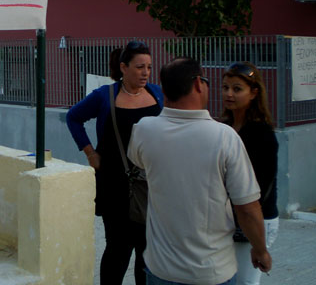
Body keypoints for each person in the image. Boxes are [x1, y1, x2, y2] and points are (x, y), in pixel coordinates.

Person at [128, 57, 272, 285]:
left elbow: (140, 162)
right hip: (210, 272)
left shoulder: (143, 129)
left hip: (160, 269)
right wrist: (260, 249)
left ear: (164, 90)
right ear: (198, 84)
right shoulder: (224, 137)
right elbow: (247, 207)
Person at [66, 41, 164, 285]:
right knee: (118, 249)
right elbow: (73, 117)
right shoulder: (104, 96)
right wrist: (90, 153)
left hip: (151, 185)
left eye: (149, 67)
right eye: (139, 67)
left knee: (147, 251)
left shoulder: (157, 94)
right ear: (123, 67)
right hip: (114, 185)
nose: (145, 73)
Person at [220, 62, 279, 285]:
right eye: (225, 87)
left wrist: (259, 245)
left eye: (237, 89)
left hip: (255, 219)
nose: (229, 94)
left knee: (245, 282)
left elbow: (258, 191)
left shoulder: (262, 134)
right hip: (231, 218)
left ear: (254, 93)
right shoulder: (224, 127)